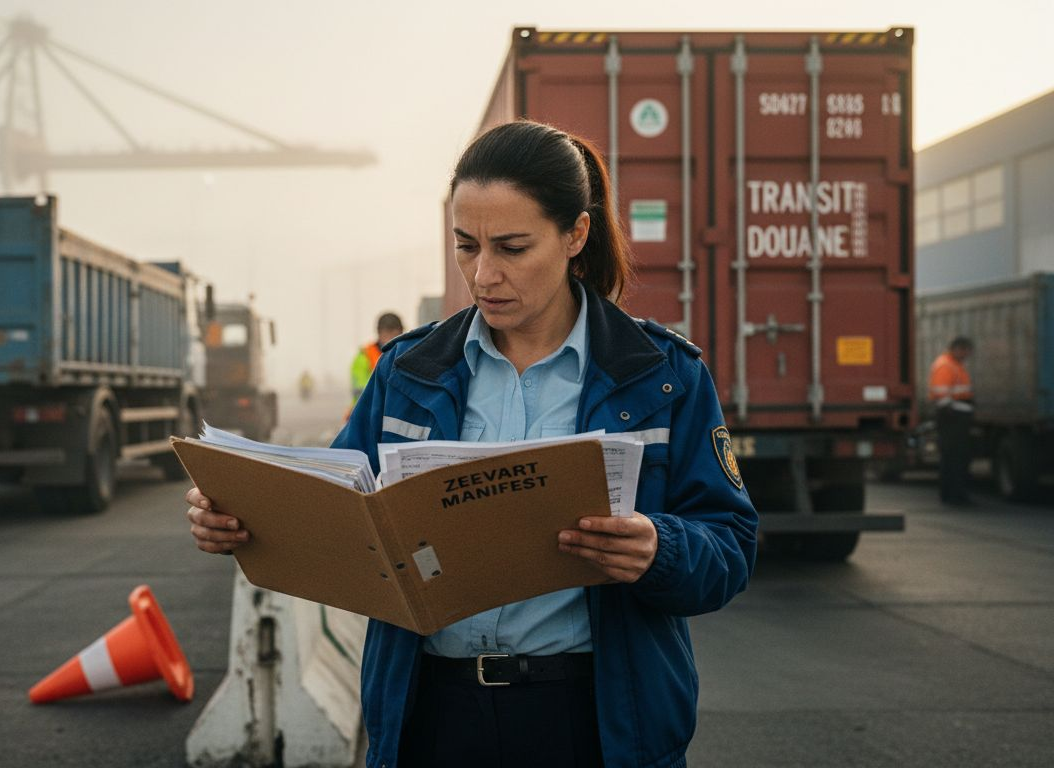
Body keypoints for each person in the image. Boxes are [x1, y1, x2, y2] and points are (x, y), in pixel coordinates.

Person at [186, 120, 758, 767]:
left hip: (593, 723)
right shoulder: (407, 373)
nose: (483, 274)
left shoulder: (663, 376)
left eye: (512, 247)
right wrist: (244, 519)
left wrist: (660, 549)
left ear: (575, 234)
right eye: (466, 246)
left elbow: (732, 546)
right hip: (432, 717)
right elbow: (340, 511)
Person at [928, 336, 975, 506]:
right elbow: (942, 398)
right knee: (954, 458)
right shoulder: (946, 366)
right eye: (966, 350)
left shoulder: (954, 365)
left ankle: (952, 494)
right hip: (951, 418)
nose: (968, 354)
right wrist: (966, 409)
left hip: (953, 416)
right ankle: (953, 494)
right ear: (957, 349)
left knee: (954, 458)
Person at [351, 312, 404, 405]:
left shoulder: (407, 353)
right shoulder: (365, 355)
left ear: (402, 333)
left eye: (395, 335)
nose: (391, 340)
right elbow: (360, 389)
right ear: (379, 333)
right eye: (387, 335)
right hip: (365, 411)